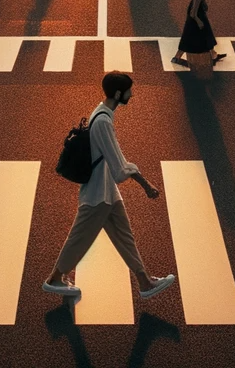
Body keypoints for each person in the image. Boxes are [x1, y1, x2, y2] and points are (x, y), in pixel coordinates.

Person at [43, 72, 176, 303]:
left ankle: (145, 282)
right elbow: (119, 167)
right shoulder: (103, 121)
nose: (131, 94)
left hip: (107, 191)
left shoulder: (101, 112)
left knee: (125, 237)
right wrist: (146, 185)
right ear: (118, 94)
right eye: (129, 91)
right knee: (79, 238)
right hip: (98, 194)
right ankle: (54, 279)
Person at [171, 0, 225, 67]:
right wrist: (198, 20)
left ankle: (213, 54)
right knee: (189, 36)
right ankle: (177, 57)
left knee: (206, 33)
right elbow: (193, 10)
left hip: (199, 13)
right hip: (197, 14)